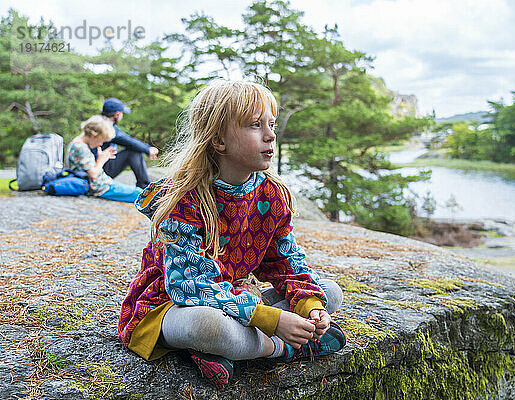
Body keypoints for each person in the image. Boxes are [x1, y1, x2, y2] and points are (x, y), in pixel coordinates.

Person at [117, 80, 346, 390]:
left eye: (271, 123)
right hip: (170, 307)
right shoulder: (183, 200)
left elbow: (286, 262)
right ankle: (283, 347)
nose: (270, 135)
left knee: (328, 293)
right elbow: (189, 287)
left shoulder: (271, 195)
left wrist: (310, 308)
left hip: (233, 299)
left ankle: (226, 352)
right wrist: (274, 322)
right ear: (219, 140)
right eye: (255, 125)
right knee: (208, 326)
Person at [67, 115, 143, 203]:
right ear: (94, 135)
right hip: (100, 188)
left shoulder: (77, 143)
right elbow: (93, 175)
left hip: (104, 184)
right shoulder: (80, 147)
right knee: (139, 194)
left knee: (138, 191)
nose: (100, 144)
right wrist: (101, 160)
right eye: (101, 140)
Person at [99, 97, 159, 189]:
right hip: (99, 169)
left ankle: (145, 186)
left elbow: (127, 138)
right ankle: (145, 188)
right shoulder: (106, 127)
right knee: (134, 152)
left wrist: (147, 148)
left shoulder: (99, 122)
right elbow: (128, 142)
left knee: (134, 149)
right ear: (117, 114)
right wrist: (148, 149)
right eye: (122, 113)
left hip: (99, 166)